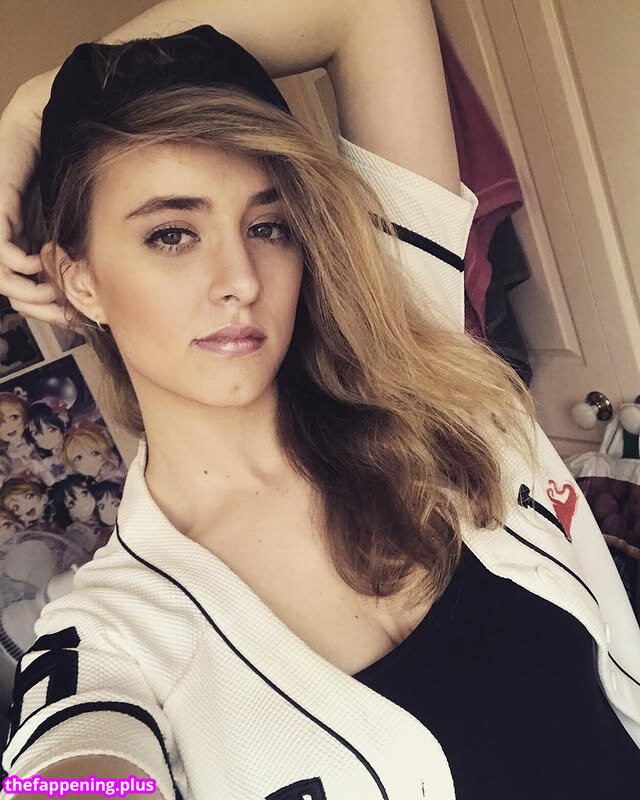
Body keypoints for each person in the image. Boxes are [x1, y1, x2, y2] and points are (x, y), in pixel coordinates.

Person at [0, 2, 638, 799]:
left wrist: (38, 105)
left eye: (268, 226)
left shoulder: (413, 356)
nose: (241, 279)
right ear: (79, 280)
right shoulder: (108, 636)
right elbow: (77, 764)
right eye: (172, 234)